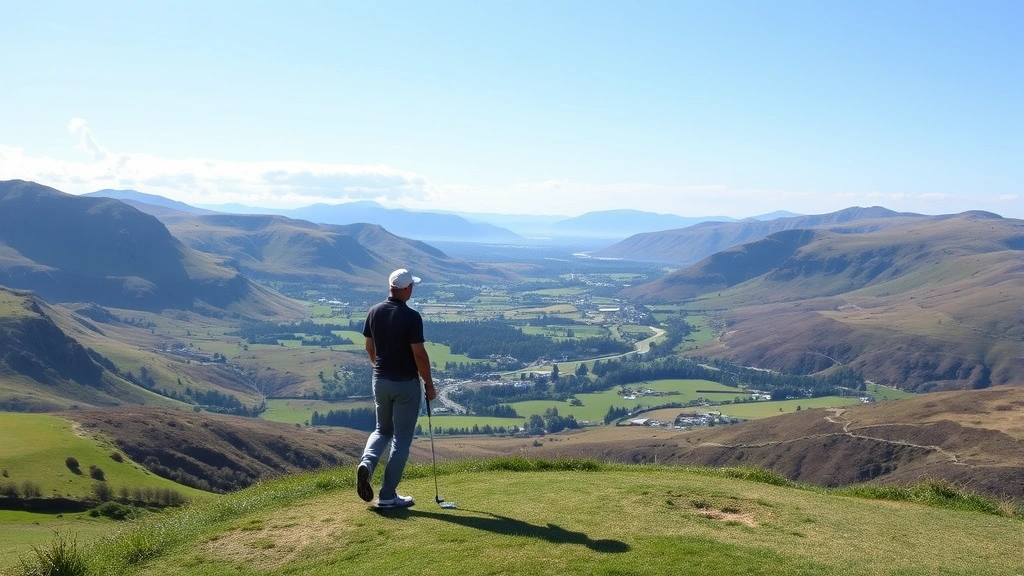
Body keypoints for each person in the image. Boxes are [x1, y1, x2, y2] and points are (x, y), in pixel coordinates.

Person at [356, 268, 437, 508]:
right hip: (405, 384)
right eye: (412, 286)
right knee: (401, 440)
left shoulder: (374, 311)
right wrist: (429, 384)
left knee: (381, 430)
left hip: (380, 380)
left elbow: (369, 346)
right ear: (407, 288)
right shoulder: (412, 317)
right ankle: (387, 495)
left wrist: (379, 367)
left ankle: (367, 464)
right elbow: (419, 355)